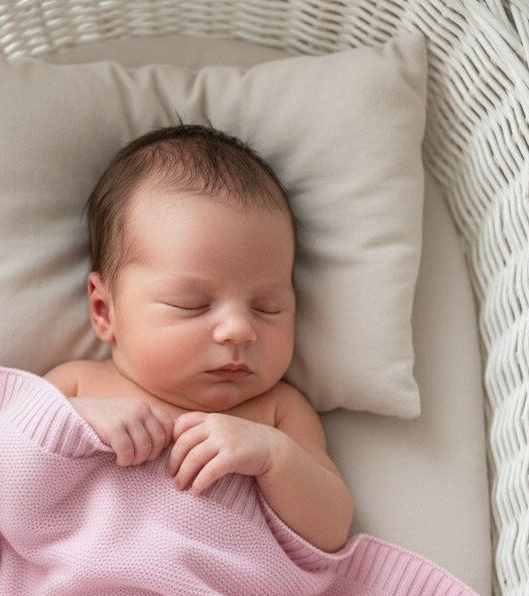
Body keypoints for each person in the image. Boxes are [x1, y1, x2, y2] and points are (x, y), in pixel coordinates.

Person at [44, 125, 354, 553]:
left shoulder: (277, 412)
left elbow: (331, 530)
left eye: (268, 307)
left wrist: (273, 456)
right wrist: (74, 422)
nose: (239, 331)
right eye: (192, 304)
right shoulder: (78, 386)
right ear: (104, 310)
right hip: (75, 583)